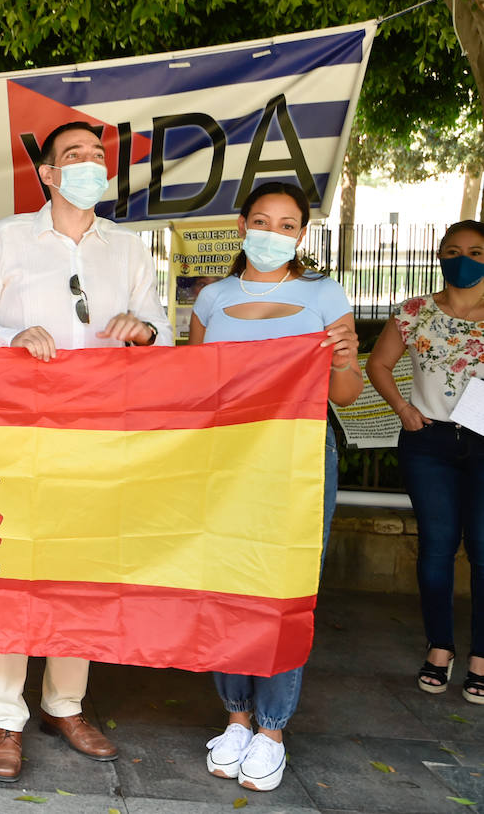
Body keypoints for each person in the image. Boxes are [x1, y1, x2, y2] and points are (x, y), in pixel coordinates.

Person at [0, 121, 173, 782]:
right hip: (18, 432)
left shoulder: (127, 249)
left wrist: (143, 329)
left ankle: (64, 705)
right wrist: (11, 339)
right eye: (72, 156)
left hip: (101, 437)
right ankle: (5, 717)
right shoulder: (6, 238)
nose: (87, 165)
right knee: (13, 570)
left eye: (96, 157)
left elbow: (156, 326)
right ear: (46, 174)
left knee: (83, 572)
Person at [190, 181, 360, 792]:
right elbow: (193, 386)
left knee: (284, 586)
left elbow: (345, 393)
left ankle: (271, 729)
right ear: (242, 226)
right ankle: (235, 718)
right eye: (261, 220)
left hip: (299, 461)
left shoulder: (325, 294)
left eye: (287, 225)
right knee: (225, 581)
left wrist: (343, 357)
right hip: (226, 461)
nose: (272, 233)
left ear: (301, 235)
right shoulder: (211, 299)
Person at [366, 219, 484, 704]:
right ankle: (440, 648)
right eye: (454, 250)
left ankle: (481, 658)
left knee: (483, 549)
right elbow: (378, 363)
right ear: (438, 255)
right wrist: (402, 408)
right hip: (428, 440)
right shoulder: (413, 312)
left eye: (477, 251)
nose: (464, 259)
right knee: (436, 547)